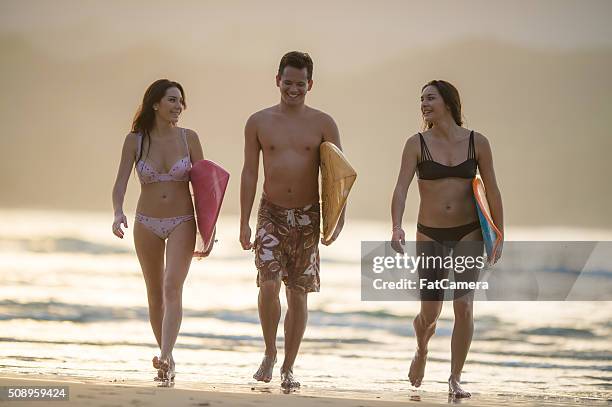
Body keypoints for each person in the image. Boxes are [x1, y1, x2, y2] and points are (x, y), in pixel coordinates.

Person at [390, 80, 503, 398]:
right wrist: (396, 226)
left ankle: (455, 377)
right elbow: (401, 187)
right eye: (421, 99)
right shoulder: (416, 144)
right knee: (429, 313)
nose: (423, 104)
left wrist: (499, 233)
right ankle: (421, 350)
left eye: (430, 98)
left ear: (449, 103)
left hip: (469, 232)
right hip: (430, 234)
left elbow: (492, 189)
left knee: (464, 305)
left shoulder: (477, 142)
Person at [240, 51, 345, 389]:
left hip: (307, 217)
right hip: (269, 212)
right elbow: (249, 173)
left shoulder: (324, 123)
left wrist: (337, 219)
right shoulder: (258, 121)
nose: (294, 89)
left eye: (300, 84)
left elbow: (338, 176)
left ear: (310, 84)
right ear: (278, 80)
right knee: (268, 284)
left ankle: (288, 366)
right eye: (288, 82)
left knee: (298, 295)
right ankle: (270, 351)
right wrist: (244, 221)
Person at [111, 79, 207, 383]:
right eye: (172, 100)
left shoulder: (189, 138)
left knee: (171, 287)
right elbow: (121, 183)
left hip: (182, 220)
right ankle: (168, 358)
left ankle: (164, 356)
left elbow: (205, 187)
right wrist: (117, 213)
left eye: (181, 100)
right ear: (155, 104)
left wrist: (209, 228)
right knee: (154, 293)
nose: (178, 106)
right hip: (146, 222)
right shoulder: (135, 141)